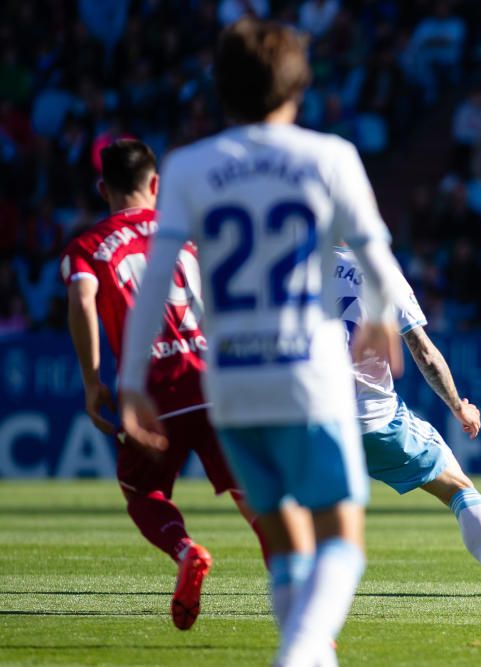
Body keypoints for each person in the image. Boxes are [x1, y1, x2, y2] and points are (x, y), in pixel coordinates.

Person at [118, 18, 413, 667]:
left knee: (285, 538)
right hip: (306, 370)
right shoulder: (329, 156)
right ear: (299, 86)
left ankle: (307, 654)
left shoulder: (191, 166)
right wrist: (385, 313)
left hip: (230, 379)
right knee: (343, 536)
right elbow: (377, 254)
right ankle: (302, 650)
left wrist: (131, 380)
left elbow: (157, 281)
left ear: (220, 87)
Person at [60, 139, 267, 630]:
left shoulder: (87, 247)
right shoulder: (191, 235)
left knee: (143, 493)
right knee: (258, 502)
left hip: (151, 393)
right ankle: (306, 621)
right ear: (156, 184)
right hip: (218, 384)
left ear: (103, 189)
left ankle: (185, 549)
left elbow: (83, 302)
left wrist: (92, 381)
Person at [332, 243, 481, 617]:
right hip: (373, 420)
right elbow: (422, 350)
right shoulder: (378, 270)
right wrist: (458, 405)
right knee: (459, 488)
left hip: (310, 418)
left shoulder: (292, 268)